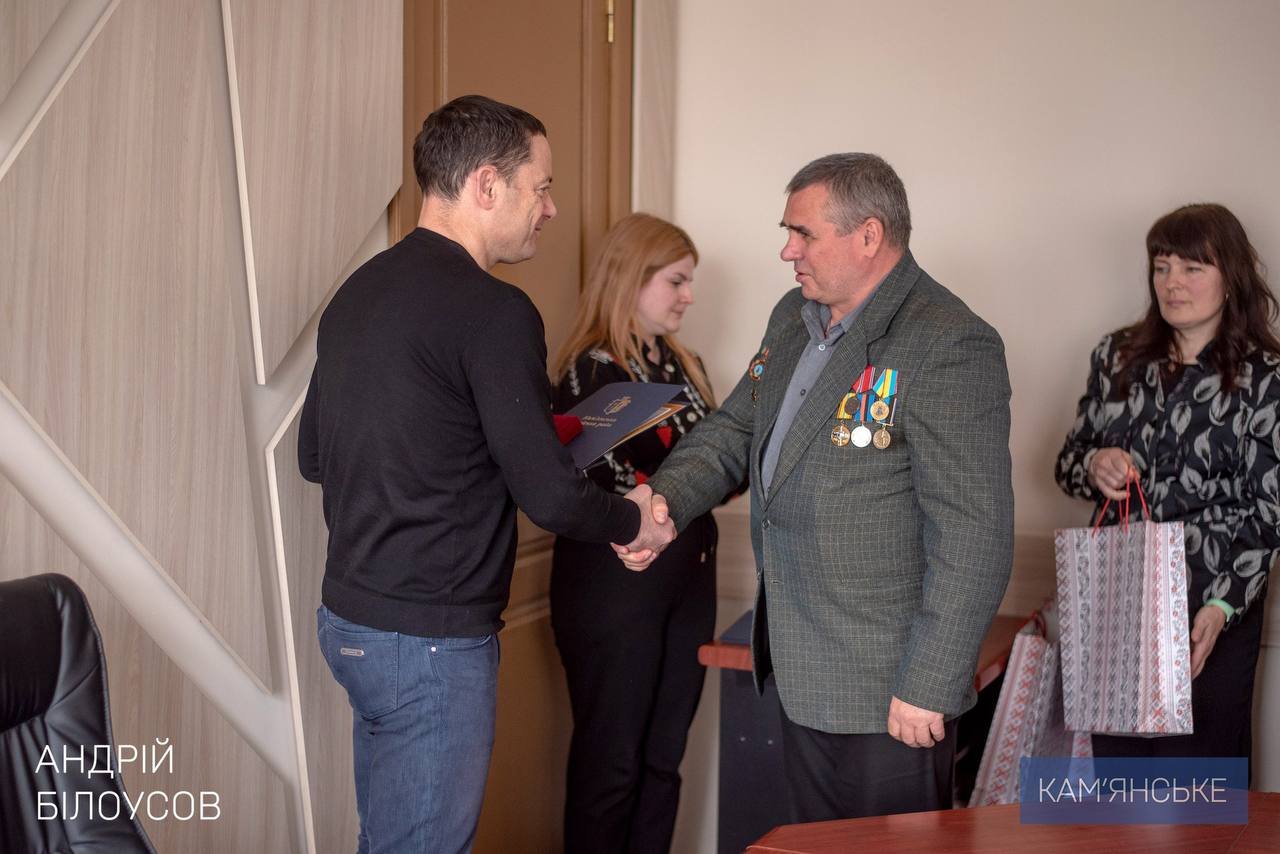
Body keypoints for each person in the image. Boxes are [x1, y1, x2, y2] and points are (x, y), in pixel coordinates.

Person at [297, 95, 674, 854]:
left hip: (350, 623)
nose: (551, 208)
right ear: (486, 184)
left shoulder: (357, 291)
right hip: (429, 642)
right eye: (542, 187)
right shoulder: (496, 310)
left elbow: (314, 455)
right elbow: (549, 495)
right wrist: (635, 518)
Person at [621, 154, 1015, 822]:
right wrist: (663, 502)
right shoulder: (793, 315)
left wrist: (930, 682)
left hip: (891, 691)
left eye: (803, 233)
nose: (787, 250)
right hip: (800, 669)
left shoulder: (948, 341)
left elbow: (974, 533)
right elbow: (735, 429)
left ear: (868, 235)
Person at [1055, 203, 1280, 766]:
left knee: (1198, 781)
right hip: (1119, 594)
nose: (1172, 282)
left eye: (1192, 268)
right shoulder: (1117, 357)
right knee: (1120, 773)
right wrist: (1095, 465)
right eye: (1162, 267)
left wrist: (1221, 607)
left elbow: (1269, 513)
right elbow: (1067, 464)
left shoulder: (1265, 378)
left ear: (1230, 277)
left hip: (1212, 601)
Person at [549, 214, 719, 853]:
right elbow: (601, 480)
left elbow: (725, 466)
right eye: (676, 280)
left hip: (689, 579)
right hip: (613, 586)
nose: (688, 296)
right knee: (612, 764)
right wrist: (688, 482)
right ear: (630, 277)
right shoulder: (588, 373)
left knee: (662, 759)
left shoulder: (685, 364)